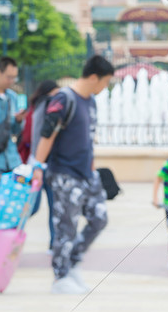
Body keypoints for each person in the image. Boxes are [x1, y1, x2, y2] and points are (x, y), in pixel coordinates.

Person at [32, 55, 114, 295]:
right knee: (65, 227)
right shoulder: (64, 99)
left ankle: (72, 263)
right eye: (105, 82)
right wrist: (38, 166)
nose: (105, 88)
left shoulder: (91, 102)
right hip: (64, 173)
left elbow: (88, 137)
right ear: (93, 77)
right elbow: (47, 135)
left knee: (99, 218)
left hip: (86, 174)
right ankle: (60, 276)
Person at [17, 80, 59, 246]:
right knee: (37, 206)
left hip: (37, 164)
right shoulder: (46, 106)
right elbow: (32, 137)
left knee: (36, 206)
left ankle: (11, 232)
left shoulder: (35, 108)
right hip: (40, 165)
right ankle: (11, 231)